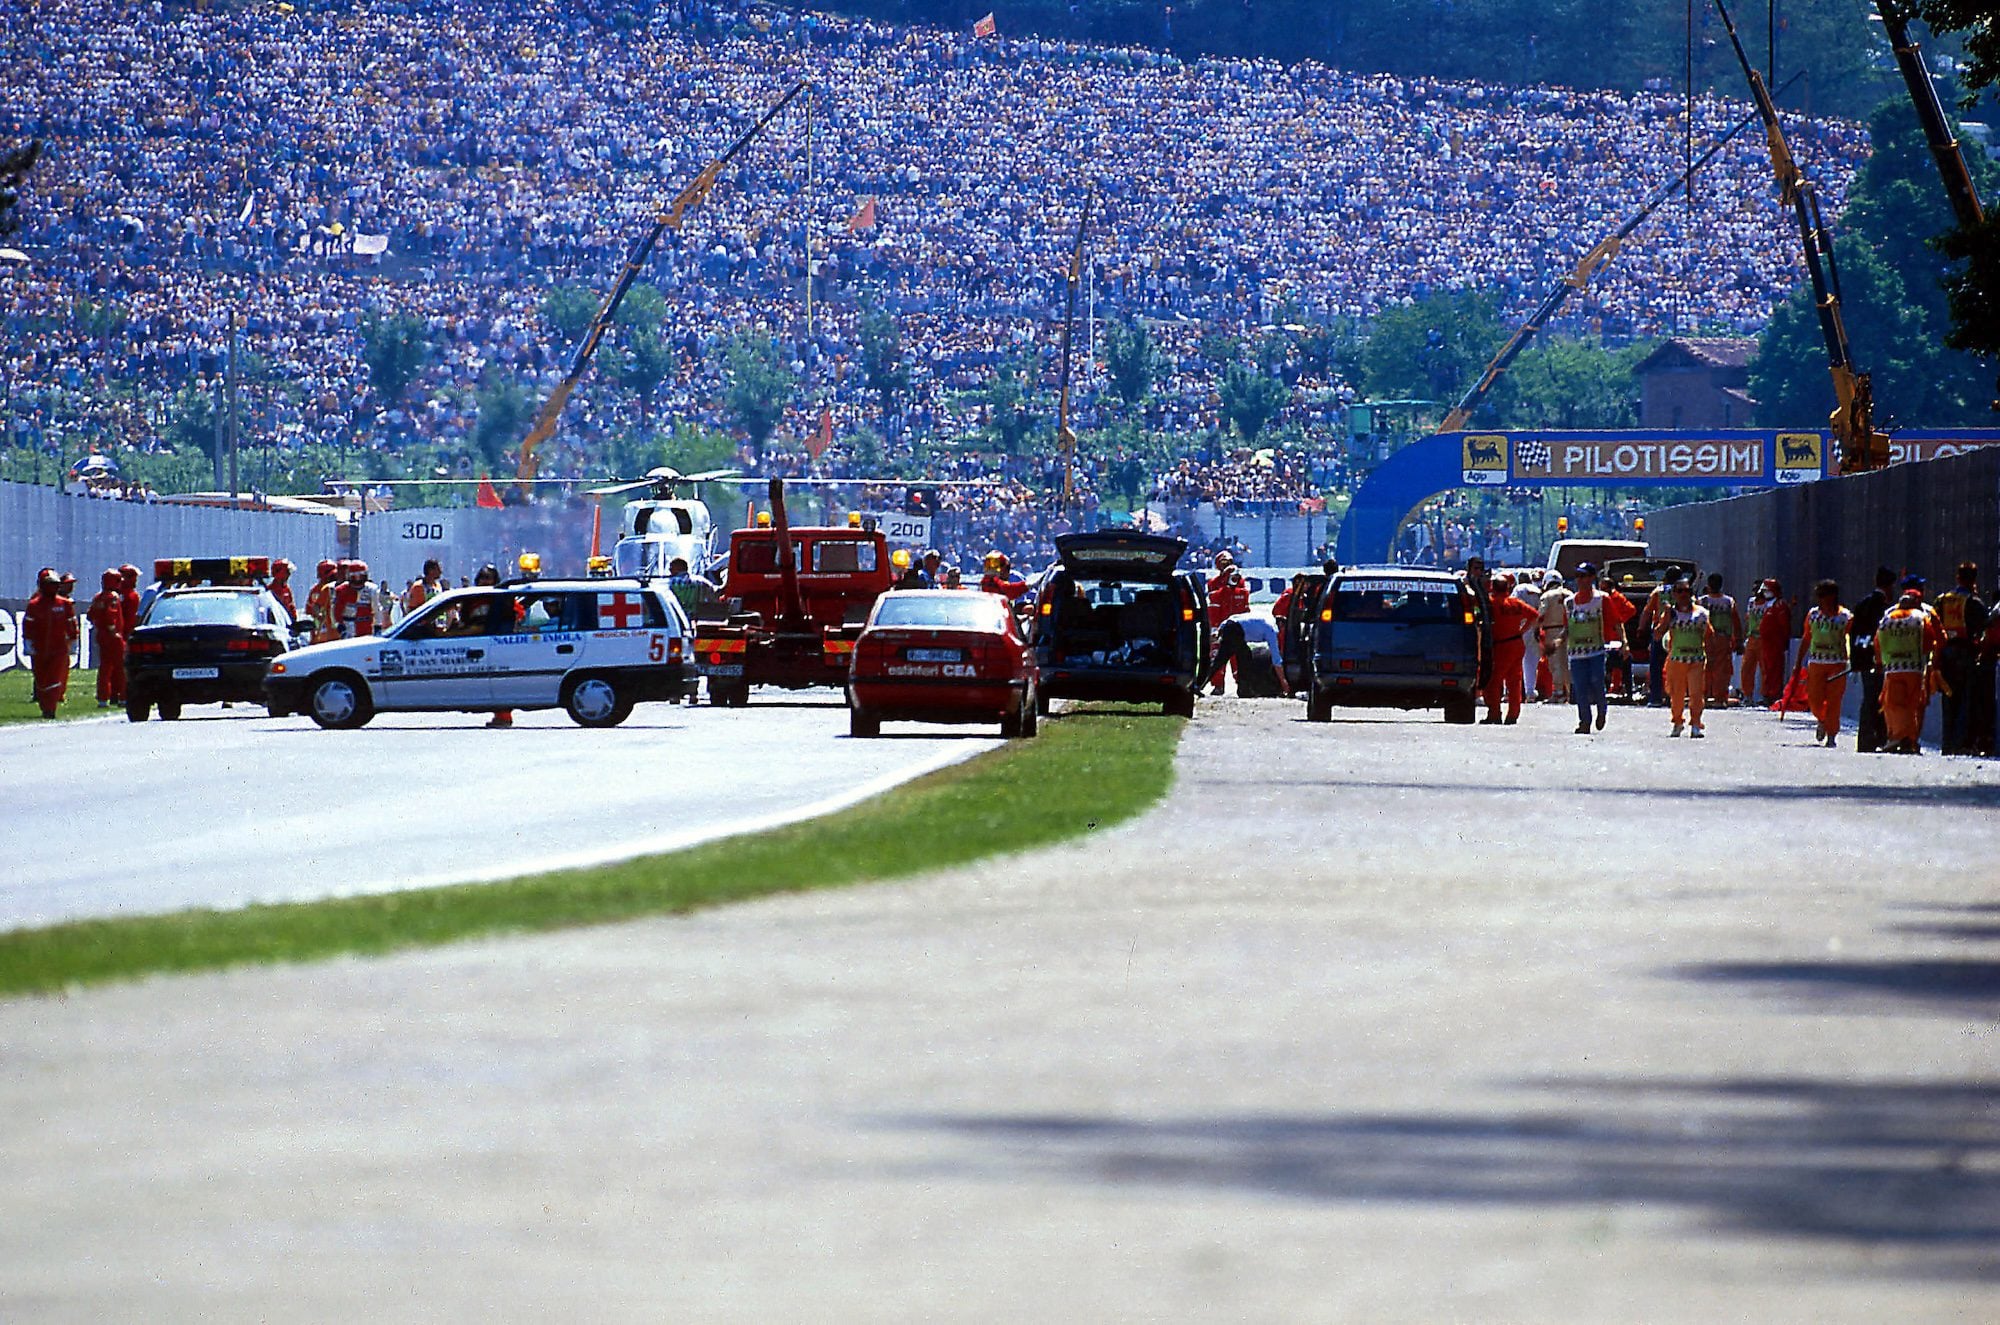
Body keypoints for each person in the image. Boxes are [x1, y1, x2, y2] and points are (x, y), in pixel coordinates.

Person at [1565, 562, 1635, 735]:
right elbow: (1567, 627)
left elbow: (1617, 622)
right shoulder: (1569, 602)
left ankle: (1601, 710)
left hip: (1595, 651)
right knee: (1580, 687)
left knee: (1597, 682)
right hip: (1576, 653)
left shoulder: (1601, 599)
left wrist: (1624, 643)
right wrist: (1556, 641)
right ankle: (1584, 721)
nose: (1579, 580)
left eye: (1583, 576)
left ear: (1591, 578)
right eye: (1577, 576)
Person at [1876, 577, 1944, 755]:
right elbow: (1937, 639)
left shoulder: (1889, 615)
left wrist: (1880, 661)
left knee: (1893, 703)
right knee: (1915, 705)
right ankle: (1910, 739)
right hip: (1917, 667)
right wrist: (1934, 659)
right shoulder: (1926, 614)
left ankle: (1899, 736)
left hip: (1893, 668)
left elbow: (1879, 640)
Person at [1934, 561, 1990, 756]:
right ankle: (1961, 743)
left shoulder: (1942, 600)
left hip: (1945, 654)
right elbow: (1984, 628)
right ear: (1974, 580)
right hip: (1966, 654)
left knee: (1948, 699)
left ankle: (1947, 743)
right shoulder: (1974, 602)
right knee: (1967, 700)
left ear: (1957, 577)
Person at [1657, 578, 1715, 738]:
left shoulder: (1701, 613)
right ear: (1674, 594)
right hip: (1677, 659)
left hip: (1696, 659)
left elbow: (1709, 635)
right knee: (1676, 694)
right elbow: (1658, 634)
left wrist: (1711, 656)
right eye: (1680, 591)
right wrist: (1666, 617)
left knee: (1696, 694)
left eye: (1687, 591)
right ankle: (1677, 721)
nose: (1684, 595)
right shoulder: (1670, 613)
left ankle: (1696, 724)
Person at [1799, 579, 1853, 748]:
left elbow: (1850, 639)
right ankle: (1822, 719)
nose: (1820, 600)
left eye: (1823, 596)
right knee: (1814, 700)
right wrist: (1798, 662)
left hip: (1837, 664)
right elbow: (1806, 638)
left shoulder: (1845, 617)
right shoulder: (1813, 615)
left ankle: (1831, 734)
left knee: (1834, 701)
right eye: (1819, 596)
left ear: (1833, 596)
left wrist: (1850, 659)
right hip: (1816, 662)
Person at [21, 568, 80, 719]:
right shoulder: (34, 604)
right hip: (39, 648)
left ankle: (50, 708)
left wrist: (73, 640)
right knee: (41, 680)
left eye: (55, 584)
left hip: (59, 648)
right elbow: (28, 625)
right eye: (50, 584)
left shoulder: (64, 604)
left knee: (54, 678)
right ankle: (45, 705)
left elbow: (71, 624)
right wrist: (28, 643)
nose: (53, 587)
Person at [1850, 565, 1897, 754]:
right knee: (1880, 699)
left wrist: (1855, 660)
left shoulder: (1862, 604)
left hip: (1863, 658)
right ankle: (1880, 737)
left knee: (1869, 698)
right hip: (1881, 660)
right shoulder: (1886, 609)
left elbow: (1854, 633)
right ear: (1890, 586)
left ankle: (1866, 740)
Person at [1484, 574, 1540, 725]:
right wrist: (1522, 630)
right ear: (1507, 588)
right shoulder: (1516, 603)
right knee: (1514, 681)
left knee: (1494, 681)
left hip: (1501, 645)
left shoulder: (1491, 603)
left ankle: (1494, 713)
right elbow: (1535, 616)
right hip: (1516, 643)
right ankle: (1513, 714)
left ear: (1493, 588)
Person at [473, 563, 512, 727]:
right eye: (482, 578)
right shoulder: (472, 598)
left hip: (497, 644)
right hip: (476, 643)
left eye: (488, 578)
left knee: (498, 681)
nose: (484, 581)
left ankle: (504, 716)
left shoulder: (500, 598)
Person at [1699, 573, 1743, 706]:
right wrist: (1739, 640)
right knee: (1722, 669)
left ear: (1708, 585)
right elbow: (1736, 622)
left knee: (1704, 666)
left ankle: (1704, 696)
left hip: (1705, 638)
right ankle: (1719, 698)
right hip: (1723, 638)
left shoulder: (1701, 601)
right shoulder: (1729, 601)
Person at [86, 568, 127, 707]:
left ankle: (103, 698)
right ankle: (123, 697)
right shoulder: (113, 597)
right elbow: (111, 615)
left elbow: (90, 615)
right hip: (113, 637)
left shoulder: (98, 597)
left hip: (101, 635)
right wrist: (113, 631)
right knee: (120, 667)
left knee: (104, 668)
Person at [1756, 579, 1794, 706]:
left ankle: (1774, 694)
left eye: (1767, 591)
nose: (1764, 593)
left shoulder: (1780, 605)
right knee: (1766, 668)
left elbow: (1784, 625)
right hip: (1766, 644)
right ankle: (1767, 693)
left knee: (1775, 669)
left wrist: (1784, 641)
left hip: (1775, 644)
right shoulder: (1768, 605)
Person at [1536, 570, 1572, 704]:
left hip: (1552, 631)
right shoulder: (1570, 594)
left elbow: (1541, 614)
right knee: (1567, 663)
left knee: (1555, 663)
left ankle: (1558, 692)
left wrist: (1536, 629)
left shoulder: (1547, 596)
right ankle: (1570, 692)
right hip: (1570, 630)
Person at [1738, 580, 1770, 706]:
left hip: (1763, 639)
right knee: (1746, 668)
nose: (1756, 592)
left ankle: (1765, 695)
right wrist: (1743, 637)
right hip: (1751, 638)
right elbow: (1747, 619)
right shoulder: (1751, 602)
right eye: (1755, 589)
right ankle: (1747, 695)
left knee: (1764, 668)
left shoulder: (1768, 604)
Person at [331, 560, 377, 639]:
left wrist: (377, 626)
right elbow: (334, 611)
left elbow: (376, 609)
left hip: (366, 626)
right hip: (348, 627)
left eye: (360, 575)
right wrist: (338, 625)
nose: (357, 579)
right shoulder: (341, 590)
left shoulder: (372, 589)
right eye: (354, 576)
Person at [305, 558, 341, 643]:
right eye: (331, 576)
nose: (334, 578)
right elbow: (310, 612)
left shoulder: (338, 587)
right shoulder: (316, 591)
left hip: (336, 631)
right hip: (321, 633)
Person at [117, 564, 143, 640]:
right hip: (127, 633)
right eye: (134, 577)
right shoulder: (132, 595)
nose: (136, 580)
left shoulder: (116, 594)